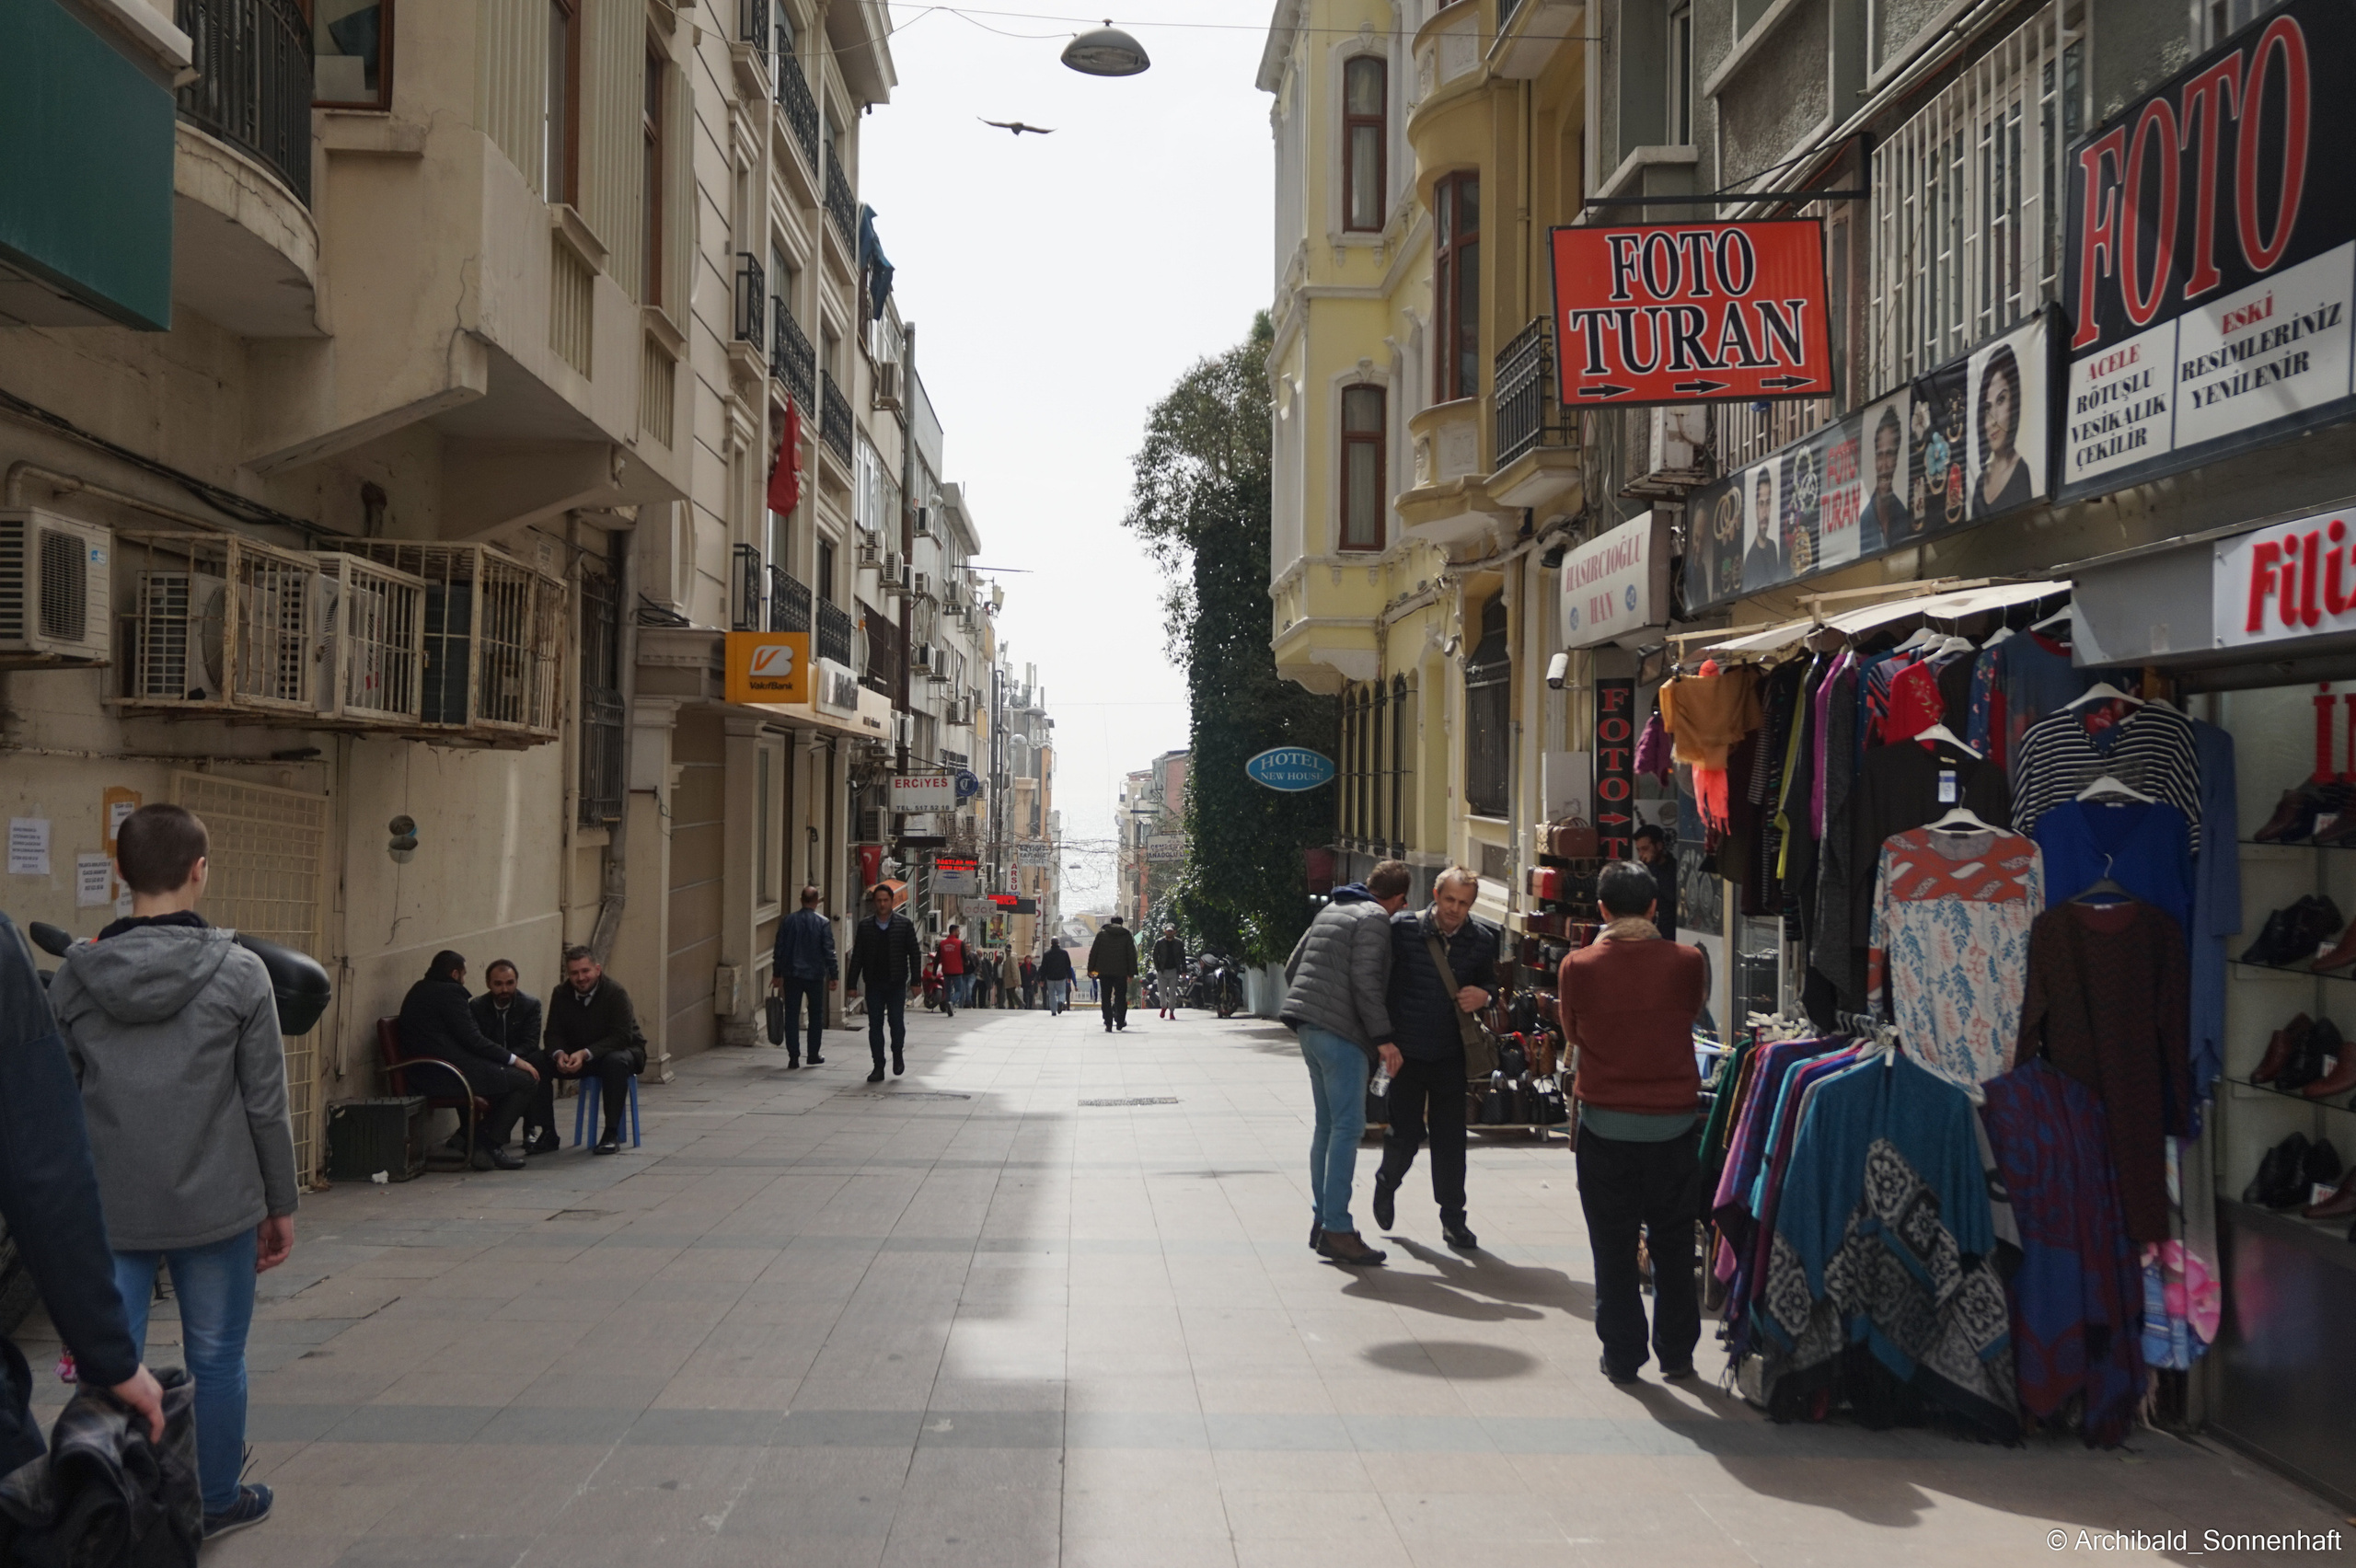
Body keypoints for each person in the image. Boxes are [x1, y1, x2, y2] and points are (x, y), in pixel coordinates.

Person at [48, 802, 292, 1536]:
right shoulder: (242, 974)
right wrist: (279, 1203)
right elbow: (267, 1105)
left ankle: (106, 1507)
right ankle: (215, 1500)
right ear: (200, 870)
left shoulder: (74, 980)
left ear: (121, 874)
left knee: (106, 1363)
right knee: (217, 1360)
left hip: (108, 1210)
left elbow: (55, 1106)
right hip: (217, 1206)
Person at [1557, 860, 1708, 1384]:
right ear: (1653, 907)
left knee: (1613, 1247)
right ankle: (1678, 1353)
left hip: (1605, 1127)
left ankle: (1622, 1355)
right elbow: (1690, 1012)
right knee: (1672, 1243)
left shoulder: (1578, 966)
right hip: (1672, 1126)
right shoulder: (1688, 961)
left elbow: (1572, 1034)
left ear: (1601, 909)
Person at [1281, 860, 1411, 1266]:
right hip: (1342, 1036)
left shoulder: (1332, 908)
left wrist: (1318, 1006)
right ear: (1400, 899)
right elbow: (1366, 982)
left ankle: (1323, 1220)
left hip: (1309, 1028)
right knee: (1349, 1128)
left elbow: (1292, 966)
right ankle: (1337, 1228)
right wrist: (1384, 1039)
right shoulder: (1374, 918)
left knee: (1327, 1126)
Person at [1371, 866, 1494, 1250]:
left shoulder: (1482, 939)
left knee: (1451, 1141)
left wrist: (1485, 996)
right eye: (1450, 900)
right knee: (1405, 1134)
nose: (1455, 909)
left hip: (1450, 1055)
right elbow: (1380, 981)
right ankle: (1386, 1183)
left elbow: (1492, 983)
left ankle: (1453, 1219)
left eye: (1464, 903)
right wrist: (1383, 1040)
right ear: (1436, 894)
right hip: (1405, 1054)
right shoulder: (1403, 929)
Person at [398, 950, 539, 1169]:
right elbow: (473, 1039)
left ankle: (476, 1140)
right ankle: (487, 1142)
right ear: (455, 974)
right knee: (526, 1080)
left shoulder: (421, 989)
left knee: (508, 1079)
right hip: (446, 1074)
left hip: (429, 1071)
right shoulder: (449, 993)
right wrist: (513, 1059)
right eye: (463, 975)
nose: (464, 981)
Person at [543, 947, 648, 1155]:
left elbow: (622, 1036)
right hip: (578, 1055)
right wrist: (559, 1054)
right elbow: (552, 1033)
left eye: (585, 971)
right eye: (574, 973)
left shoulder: (615, 993)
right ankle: (547, 1132)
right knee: (535, 1062)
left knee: (614, 1062)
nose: (581, 978)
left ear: (597, 970)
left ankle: (611, 1133)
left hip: (621, 1051)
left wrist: (586, 1053)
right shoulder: (560, 993)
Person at [470, 960, 552, 1153]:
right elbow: (477, 1042)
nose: (504, 989)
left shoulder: (530, 1005)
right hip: (491, 1062)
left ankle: (530, 1127)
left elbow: (530, 1042)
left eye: (510, 983)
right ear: (488, 984)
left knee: (534, 1065)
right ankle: (477, 1131)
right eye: (498, 984)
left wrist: (513, 1060)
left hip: (520, 1058)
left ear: (516, 982)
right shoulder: (477, 1006)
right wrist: (502, 1060)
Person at [846, 883, 922, 1081]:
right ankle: (878, 1065)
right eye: (878, 901)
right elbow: (858, 957)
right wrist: (851, 984)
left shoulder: (904, 925)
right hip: (874, 983)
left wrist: (916, 981)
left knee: (896, 1023)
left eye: (885, 900)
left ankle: (897, 1055)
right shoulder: (865, 926)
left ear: (892, 902)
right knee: (875, 1025)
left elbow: (914, 953)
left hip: (896, 982)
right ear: (874, 903)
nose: (882, 904)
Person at [771, 885, 837, 1068]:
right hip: (815, 975)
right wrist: (834, 974)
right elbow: (829, 951)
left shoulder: (788, 921)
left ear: (801, 900)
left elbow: (779, 949)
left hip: (792, 974)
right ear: (817, 901)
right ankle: (813, 1054)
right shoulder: (823, 923)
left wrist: (777, 973)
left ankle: (793, 1056)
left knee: (791, 1014)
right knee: (816, 1014)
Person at [1973, 343, 2032, 518]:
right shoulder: (1979, 483)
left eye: (2001, 400)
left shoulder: (2021, 472)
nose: (1993, 420)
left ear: (2014, 401)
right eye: (1987, 408)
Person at [1861, 404, 1915, 552]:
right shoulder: (1863, 521)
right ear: (1874, 459)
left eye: (1890, 454)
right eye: (1880, 455)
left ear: (1897, 457)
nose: (1884, 465)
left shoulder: (1905, 518)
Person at [1088, 916, 1138, 1032]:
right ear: (1121, 924)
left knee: (1105, 997)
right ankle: (1120, 1021)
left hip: (1104, 971)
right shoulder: (1126, 935)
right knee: (1120, 997)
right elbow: (1131, 955)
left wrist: (1090, 969)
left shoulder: (1101, 934)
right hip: (1121, 972)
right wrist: (1131, 973)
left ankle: (1108, 1022)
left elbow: (1094, 952)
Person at [1631, 824, 1680, 941]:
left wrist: (1652, 867)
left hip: (1669, 935)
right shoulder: (1642, 871)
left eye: (1645, 849)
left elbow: (1671, 894)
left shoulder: (1674, 868)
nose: (1642, 854)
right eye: (1639, 850)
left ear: (1659, 846)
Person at [1741, 467, 1784, 588]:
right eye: (1761, 504)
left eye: (1768, 503)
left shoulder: (1773, 547)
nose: (1765, 513)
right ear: (1755, 507)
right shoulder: (1750, 559)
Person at [1151, 925, 1185, 1020]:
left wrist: (1183, 970)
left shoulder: (1179, 943)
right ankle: (1163, 1007)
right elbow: (1155, 956)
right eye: (1168, 931)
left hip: (1174, 970)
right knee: (1162, 992)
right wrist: (1158, 968)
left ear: (1174, 931)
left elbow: (1182, 957)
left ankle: (1171, 1011)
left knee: (1172, 993)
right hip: (1162, 971)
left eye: (1171, 931)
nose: (1169, 933)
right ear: (1165, 931)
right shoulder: (1159, 942)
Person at [937, 924, 968, 1015]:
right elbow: (964, 957)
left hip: (946, 971)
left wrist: (934, 972)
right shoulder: (960, 943)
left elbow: (937, 958)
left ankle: (949, 1009)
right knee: (959, 990)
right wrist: (966, 963)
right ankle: (952, 1002)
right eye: (958, 931)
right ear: (954, 931)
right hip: (957, 971)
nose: (959, 933)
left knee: (947, 991)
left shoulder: (942, 943)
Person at [1038, 942, 1075, 1015]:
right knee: (1062, 992)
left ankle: (1053, 1011)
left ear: (1051, 943)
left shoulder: (1047, 954)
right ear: (1058, 943)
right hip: (1061, 977)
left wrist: (1042, 979)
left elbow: (1043, 968)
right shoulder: (1064, 953)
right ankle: (1060, 1002)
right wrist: (1069, 976)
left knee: (1052, 995)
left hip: (1050, 978)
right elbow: (1068, 966)